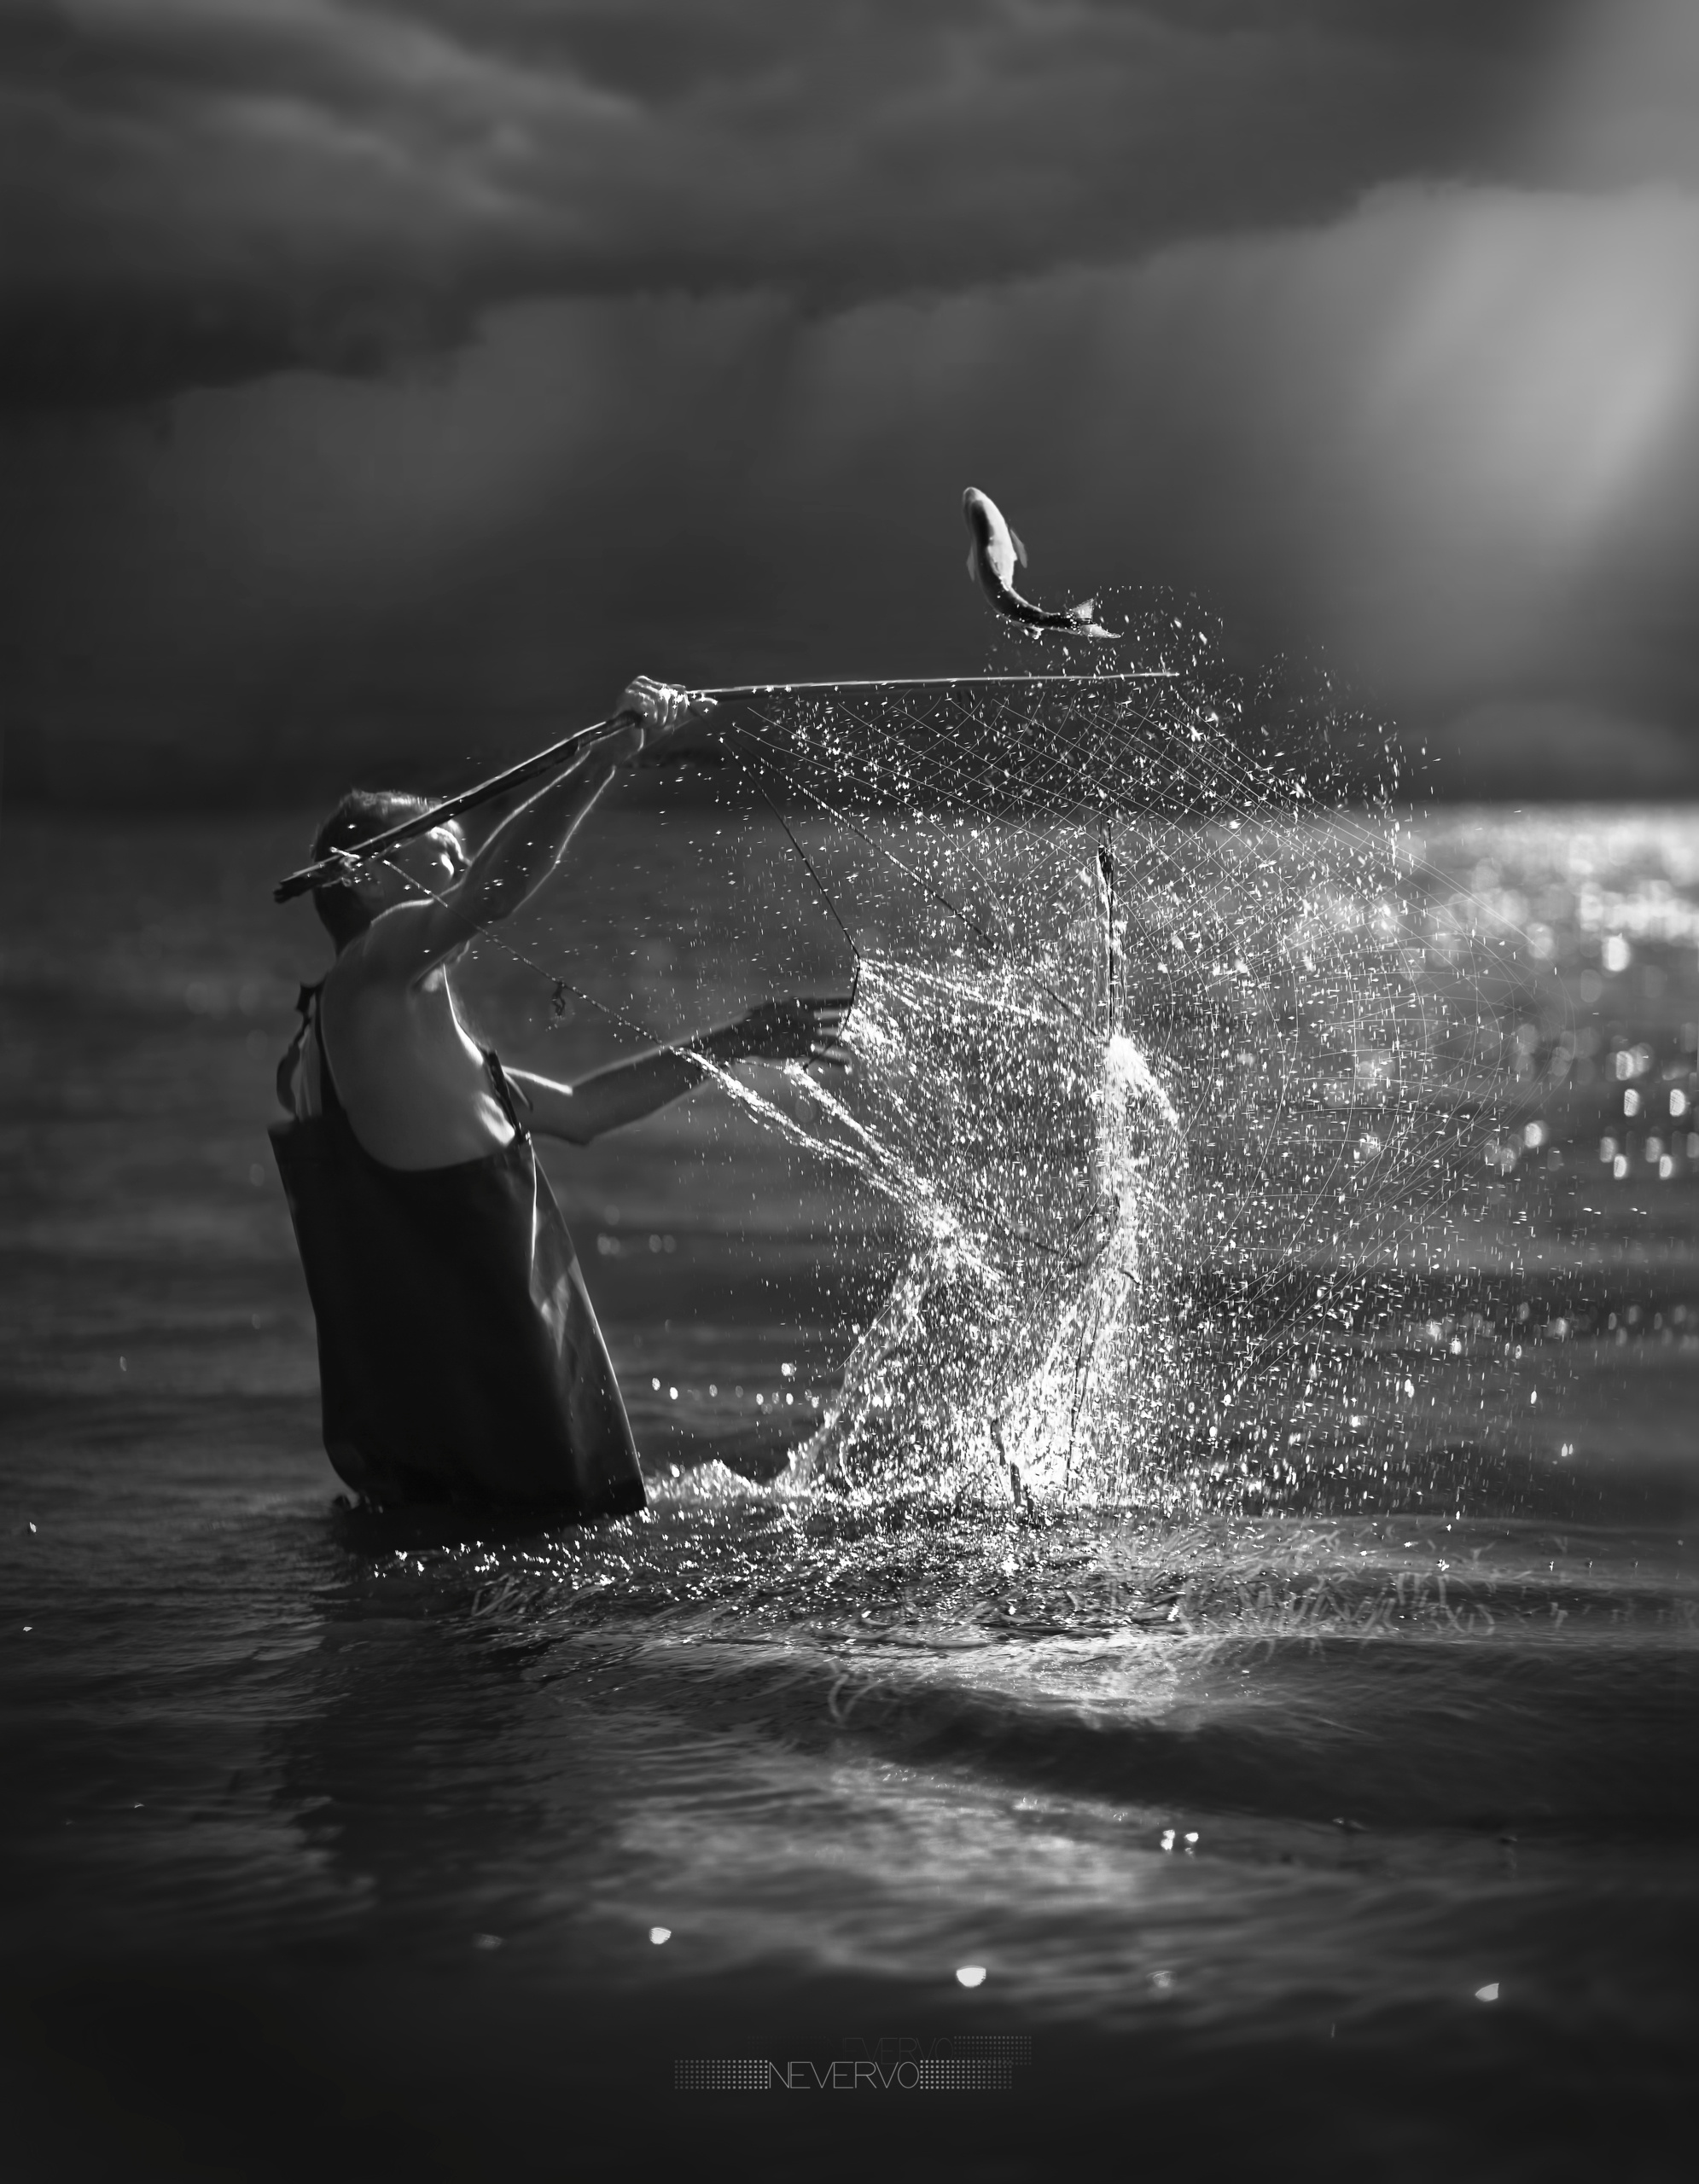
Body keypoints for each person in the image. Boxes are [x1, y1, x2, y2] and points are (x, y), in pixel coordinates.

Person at [270, 677, 849, 1514]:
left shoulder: (362, 1041)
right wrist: (605, 760)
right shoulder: (371, 966)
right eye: (441, 850)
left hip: (435, 1435)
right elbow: (494, 892)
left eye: (463, 854)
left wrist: (736, 1037)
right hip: (488, 1404)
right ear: (363, 875)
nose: (462, 866)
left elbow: (582, 1110)